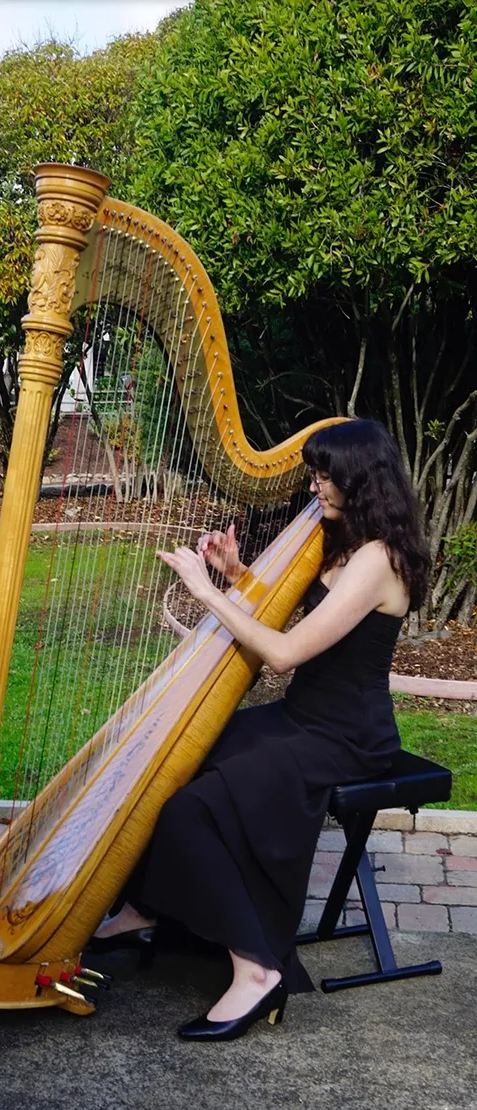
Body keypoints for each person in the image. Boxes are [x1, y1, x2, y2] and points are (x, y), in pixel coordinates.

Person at [89, 419, 430, 1042]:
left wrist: (201, 590)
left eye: (325, 475)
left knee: (193, 809)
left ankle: (256, 971)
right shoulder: (346, 540)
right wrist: (237, 572)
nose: (315, 485)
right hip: (303, 718)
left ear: (360, 478)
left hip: (344, 736)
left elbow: (284, 654)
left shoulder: (379, 558)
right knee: (176, 761)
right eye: (315, 473)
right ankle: (144, 910)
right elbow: (311, 625)